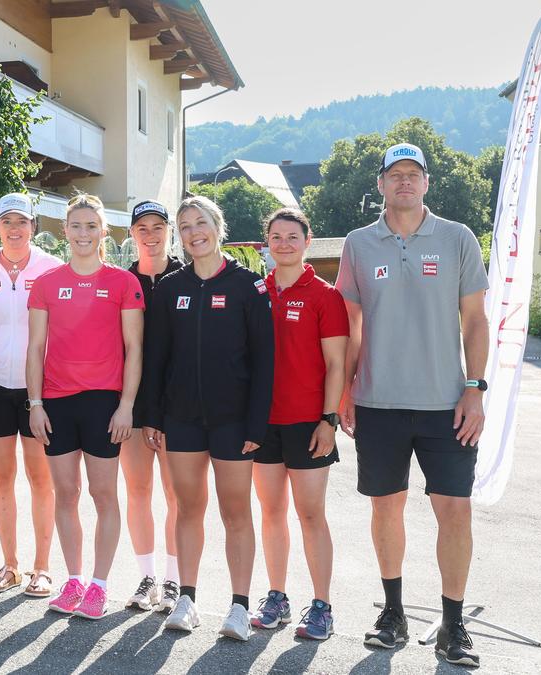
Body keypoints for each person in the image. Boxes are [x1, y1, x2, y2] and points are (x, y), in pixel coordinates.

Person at [336, 143, 489, 667]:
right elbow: (350, 325)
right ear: (379, 184)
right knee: (386, 509)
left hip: (447, 404)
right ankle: (394, 613)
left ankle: (453, 623)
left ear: (426, 183)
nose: (404, 181)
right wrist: (344, 391)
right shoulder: (358, 244)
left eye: (413, 173)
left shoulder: (457, 238)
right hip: (378, 402)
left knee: (455, 511)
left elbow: (475, 321)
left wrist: (476, 387)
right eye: (394, 174)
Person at [142, 195, 274, 641]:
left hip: (234, 422)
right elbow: (156, 357)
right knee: (187, 509)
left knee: (236, 511)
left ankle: (238, 607)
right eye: (185, 226)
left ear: (219, 227)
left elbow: (264, 362)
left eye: (201, 222)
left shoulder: (248, 286)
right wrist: (152, 415)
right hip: (181, 419)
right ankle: (187, 599)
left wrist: (258, 424)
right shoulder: (169, 288)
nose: (193, 231)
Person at [28, 194, 145, 620]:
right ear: (65, 231)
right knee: (66, 493)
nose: (83, 234)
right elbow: (36, 348)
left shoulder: (122, 283)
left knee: (102, 494)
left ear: (103, 232)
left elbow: (134, 349)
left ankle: (98, 585)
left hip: (103, 403)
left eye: (91, 226)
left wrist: (126, 405)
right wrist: (35, 404)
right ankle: (73, 579)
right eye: (75, 226)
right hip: (56, 402)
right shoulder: (46, 283)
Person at [249, 208, 347, 640]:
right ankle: (276, 597)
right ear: (266, 242)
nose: (284, 243)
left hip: (309, 423)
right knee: (271, 512)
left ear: (308, 242)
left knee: (310, 515)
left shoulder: (325, 296)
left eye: (292, 236)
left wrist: (329, 420)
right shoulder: (255, 292)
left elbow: (337, 364)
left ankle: (322, 605)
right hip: (262, 424)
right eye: (276, 236)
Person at [0, 192, 61, 597]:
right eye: (7, 221)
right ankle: (10, 564)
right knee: (1, 479)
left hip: (38, 388)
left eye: (22, 222)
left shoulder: (52, 269)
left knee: (42, 479)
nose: (15, 229)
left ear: (34, 227)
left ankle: (42, 567)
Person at [121, 200, 184, 612]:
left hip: (179, 403)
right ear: (131, 235)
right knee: (138, 490)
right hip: (133, 401)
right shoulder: (122, 281)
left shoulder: (189, 275)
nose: (150, 234)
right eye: (141, 227)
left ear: (169, 231)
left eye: (157, 226)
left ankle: (175, 580)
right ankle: (147, 578)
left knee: (177, 495)